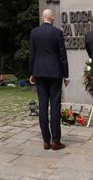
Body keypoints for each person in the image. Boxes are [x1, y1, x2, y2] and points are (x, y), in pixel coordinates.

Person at [29, 8, 70, 150]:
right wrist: (66, 75)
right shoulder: (57, 32)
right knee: (55, 105)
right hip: (55, 72)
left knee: (42, 106)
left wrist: (31, 73)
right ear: (51, 18)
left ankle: (46, 140)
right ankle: (56, 141)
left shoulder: (34, 32)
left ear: (42, 18)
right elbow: (63, 55)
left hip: (39, 72)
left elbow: (32, 54)